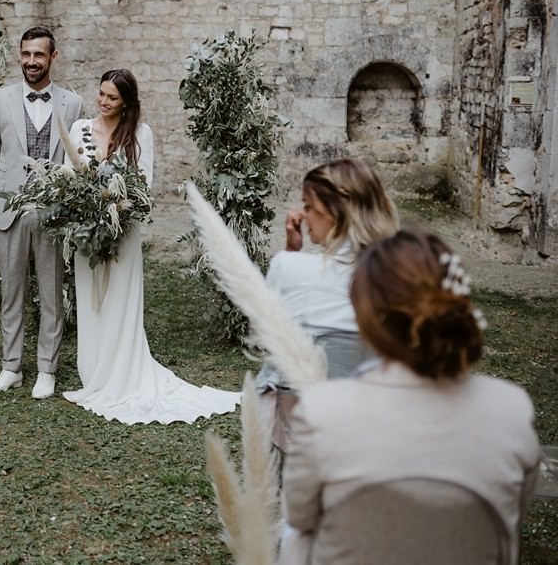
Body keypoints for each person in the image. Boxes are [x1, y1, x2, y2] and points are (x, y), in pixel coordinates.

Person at [280, 230, 541, 564]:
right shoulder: (512, 411)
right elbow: (514, 513)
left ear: (368, 317)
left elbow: (300, 515)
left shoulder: (321, 412)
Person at [61, 69, 241, 424]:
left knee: (119, 302)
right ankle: (95, 372)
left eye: (112, 97)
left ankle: (123, 374)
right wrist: (86, 208)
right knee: (91, 301)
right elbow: (69, 174)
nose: (104, 102)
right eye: (101, 94)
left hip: (122, 232)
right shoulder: (80, 128)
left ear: (126, 102)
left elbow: (143, 187)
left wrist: (115, 213)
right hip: (88, 233)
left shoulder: (140, 135)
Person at [0, 26, 83, 399]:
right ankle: (11, 368)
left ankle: (47, 369)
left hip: (51, 213)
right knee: (12, 293)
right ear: (19, 56)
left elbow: (77, 162)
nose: (31, 62)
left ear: (53, 57)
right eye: (26, 54)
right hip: (7, 212)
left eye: (39, 54)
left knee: (52, 294)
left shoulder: (73, 103)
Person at [260, 157, 399, 388]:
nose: (302, 215)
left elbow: (269, 330)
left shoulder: (288, 266)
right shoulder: (399, 280)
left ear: (335, 211)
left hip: (300, 410)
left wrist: (291, 253)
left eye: (308, 206)